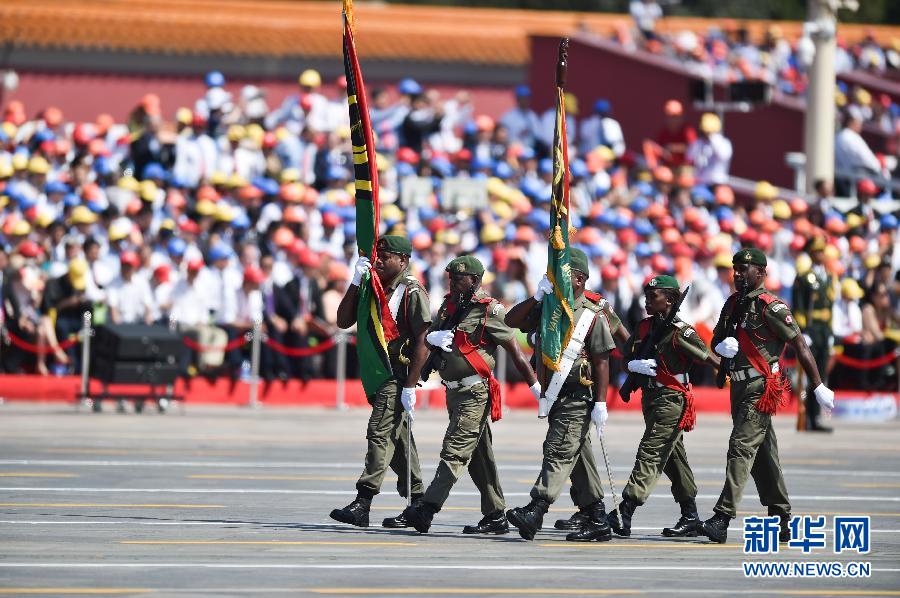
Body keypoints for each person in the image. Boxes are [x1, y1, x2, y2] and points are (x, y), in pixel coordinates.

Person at [698, 248, 835, 544]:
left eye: (744, 269)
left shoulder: (771, 306)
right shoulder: (733, 303)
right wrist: (722, 347)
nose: (737, 274)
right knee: (762, 453)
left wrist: (817, 385)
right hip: (738, 386)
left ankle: (722, 517)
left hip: (760, 388)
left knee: (741, 447)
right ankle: (781, 515)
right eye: (735, 268)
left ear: (760, 273)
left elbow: (799, 344)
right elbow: (717, 337)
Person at [401, 255, 539, 535]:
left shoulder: (490, 310)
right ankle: (495, 514)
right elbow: (431, 340)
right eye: (450, 277)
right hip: (453, 391)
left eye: (458, 278)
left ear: (474, 280)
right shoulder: (449, 306)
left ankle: (427, 509)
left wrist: (537, 388)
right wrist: (431, 339)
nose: (452, 282)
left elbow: (515, 352)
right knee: (479, 456)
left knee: (455, 450)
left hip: (475, 391)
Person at [574, 275, 719, 541]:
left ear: (671, 300)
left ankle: (625, 511)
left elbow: (707, 356)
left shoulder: (680, 331)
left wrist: (727, 369)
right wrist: (633, 367)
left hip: (672, 400)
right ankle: (690, 515)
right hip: (652, 400)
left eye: (654, 297)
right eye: (646, 296)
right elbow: (626, 354)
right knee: (673, 459)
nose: (647, 301)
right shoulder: (644, 329)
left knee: (650, 453)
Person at [502, 248, 616, 541]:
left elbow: (603, 360)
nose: (555, 279)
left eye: (562, 274)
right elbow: (512, 321)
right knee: (577, 455)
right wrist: (537, 297)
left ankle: (537, 508)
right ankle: (596, 515)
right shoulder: (549, 306)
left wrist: (601, 402)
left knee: (558, 450)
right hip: (554, 395)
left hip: (577, 394)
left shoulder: (592, 314)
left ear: (579, 279)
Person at [331, 236, 429, 528]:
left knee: (379, 433)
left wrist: (411, 386)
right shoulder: (371, 286)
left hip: (396, 375)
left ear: (403, 260)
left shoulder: (411, 292)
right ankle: (420, 504)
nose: (380, 260)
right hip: (377, 373)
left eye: (387, 256)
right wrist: (354, 281)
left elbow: (423, 340)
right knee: (397, 441)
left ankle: (363, 502)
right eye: (379, 255)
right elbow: (342, 320)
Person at [791, 236, 836, 432]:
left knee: (822, 373)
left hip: (824, 329)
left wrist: (830, 331)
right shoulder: (803, 278)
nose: (821, 255)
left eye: (823, 251)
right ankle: (808, 418)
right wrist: (804, 332)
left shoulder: (829, 276)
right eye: (818, 251)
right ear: (811, 254)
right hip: (811, 329)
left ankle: (816, 417)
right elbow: (798, 308)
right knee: (810, 375)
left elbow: (829, 307)